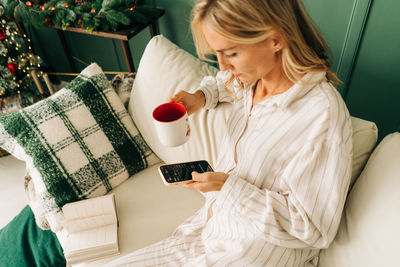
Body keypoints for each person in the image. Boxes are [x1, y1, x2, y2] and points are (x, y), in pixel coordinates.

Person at [107, 0, 352, 266]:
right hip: (206, 232)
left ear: (275, 39)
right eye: (217, 54)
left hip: (253, 255)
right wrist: (200, 97)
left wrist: (226, 186)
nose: (223, 66)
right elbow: (222, 82)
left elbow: (313, 229)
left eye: (232, 53)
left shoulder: (321, 115)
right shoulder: (250, 79)